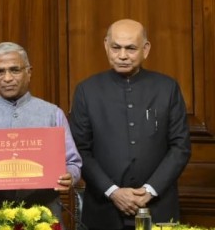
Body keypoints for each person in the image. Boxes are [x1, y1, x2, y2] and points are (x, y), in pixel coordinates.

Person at [70, 19, 191, 229]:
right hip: (103, 210)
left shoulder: (167, 88)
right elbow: (80, 150)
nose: (122, 55)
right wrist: (113, 192)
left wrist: (149, 190)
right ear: (106, 46)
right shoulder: (86, 91)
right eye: (116, 48)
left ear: (146, 49)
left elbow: (180, 147)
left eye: (131, 48)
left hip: (158, 207)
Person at [0, 42, 81, 220]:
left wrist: (70, 176)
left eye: (14, 70)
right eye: (0, 71)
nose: (7, 78)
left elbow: (73, 162)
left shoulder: (53, 114)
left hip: (44, 214)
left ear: (29, 72)